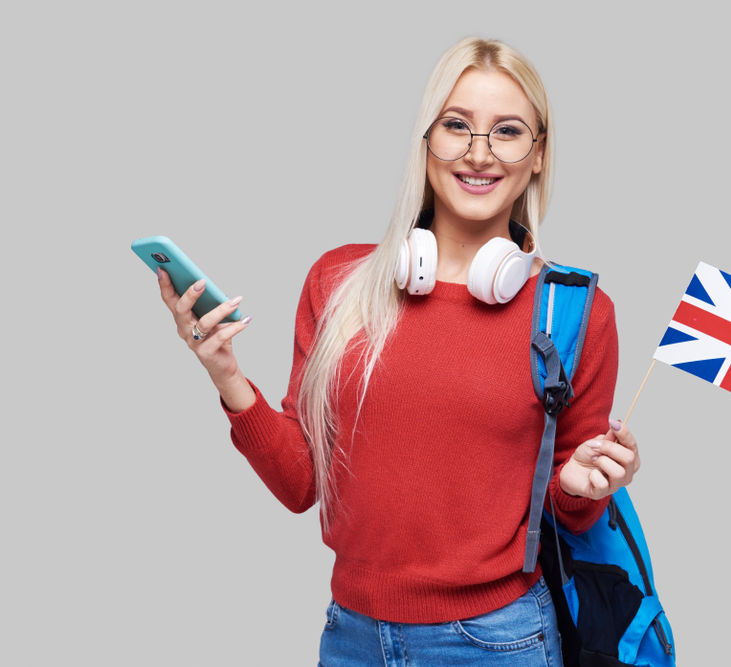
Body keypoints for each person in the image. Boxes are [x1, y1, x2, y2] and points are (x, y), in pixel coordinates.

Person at [154, 37, 641, 667]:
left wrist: (580, 487)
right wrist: (226, 375)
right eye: (457, 125)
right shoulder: (339, 283)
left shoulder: (573, 311)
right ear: (426, 141)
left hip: (499, 640)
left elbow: (572, 513)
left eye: (508, 132)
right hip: (351, 636)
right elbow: (304, 482)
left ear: (539, 154)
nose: (478, 153)